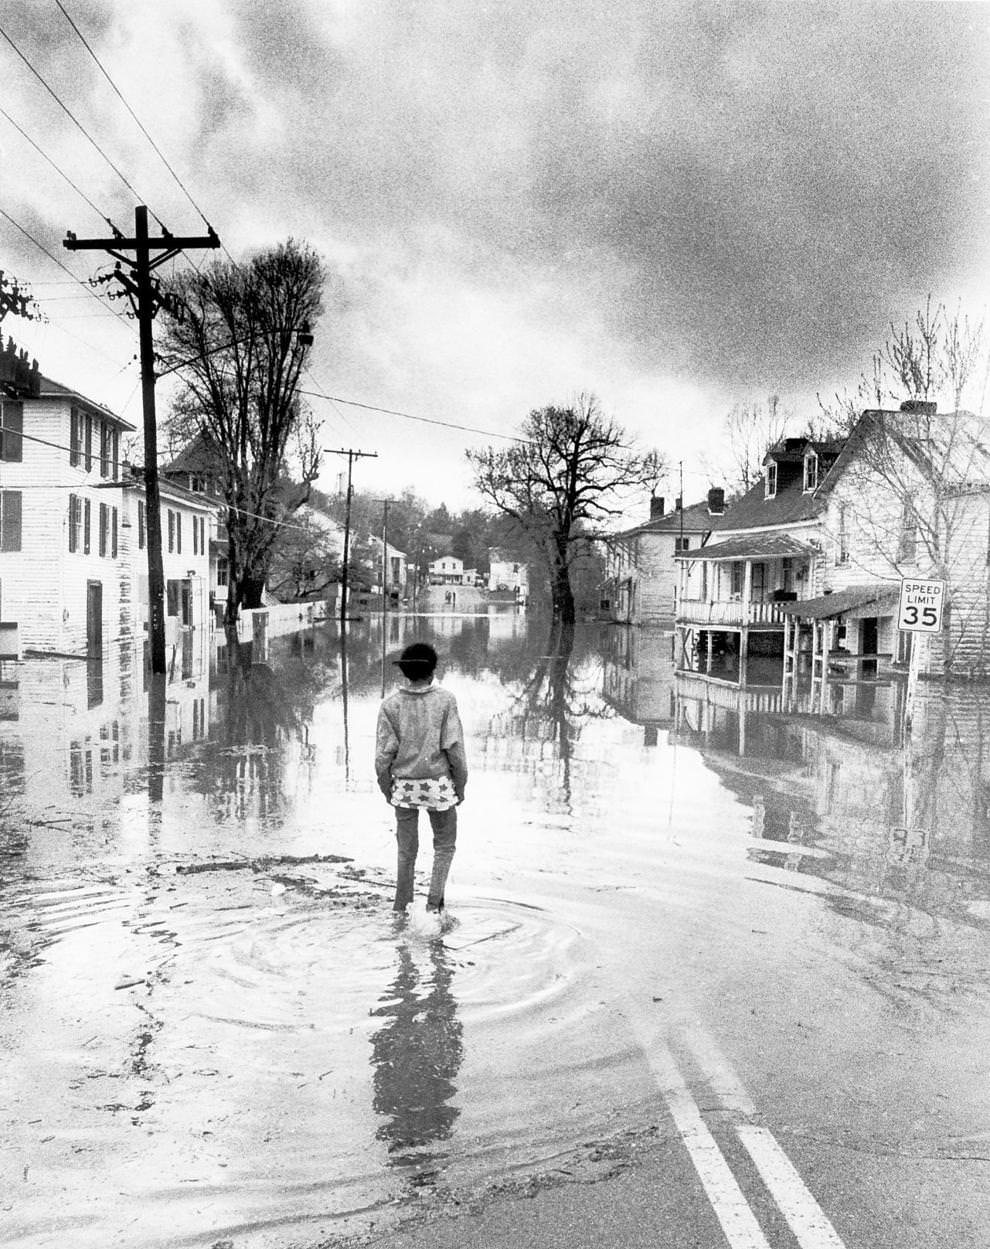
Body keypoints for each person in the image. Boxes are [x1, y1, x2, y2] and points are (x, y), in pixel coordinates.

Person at [375, 642, 468, 914]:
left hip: (403, 787)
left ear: (405, 673)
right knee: (444, 846)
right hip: (439, 785)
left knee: (406, 851)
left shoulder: (390, 705)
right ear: (432, 672)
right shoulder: (445, 700)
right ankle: (433, 907)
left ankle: (401, 908)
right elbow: (456, 750)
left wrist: (386, 789)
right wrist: (460, 787)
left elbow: (383, 757)